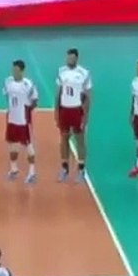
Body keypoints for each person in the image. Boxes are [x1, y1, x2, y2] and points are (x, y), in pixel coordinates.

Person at [56, 49, 93, 183]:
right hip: (64, 110)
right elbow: (58, 92)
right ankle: (65, 168)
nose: (69, 60)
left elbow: (88, 95)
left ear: (76, 59)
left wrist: (86, 115)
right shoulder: (61, 71)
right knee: (64, 138)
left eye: (72, 58)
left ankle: (81, 169)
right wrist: (56, 111)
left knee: (80, 140)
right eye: (68, 58)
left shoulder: (84, 73)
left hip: (77, 110)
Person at [1, 61, 39, 184]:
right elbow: (7, 96)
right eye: (13, 70)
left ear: (22, 71)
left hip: (23, 120)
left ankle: (32, 172)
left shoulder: (28, 84)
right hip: (12, 118)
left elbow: (35, 100)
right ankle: (13, 169)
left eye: (17, 70)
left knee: (28, 145)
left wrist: (26, 111)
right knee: (12, 144)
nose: (14, 72)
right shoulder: (8, 82)